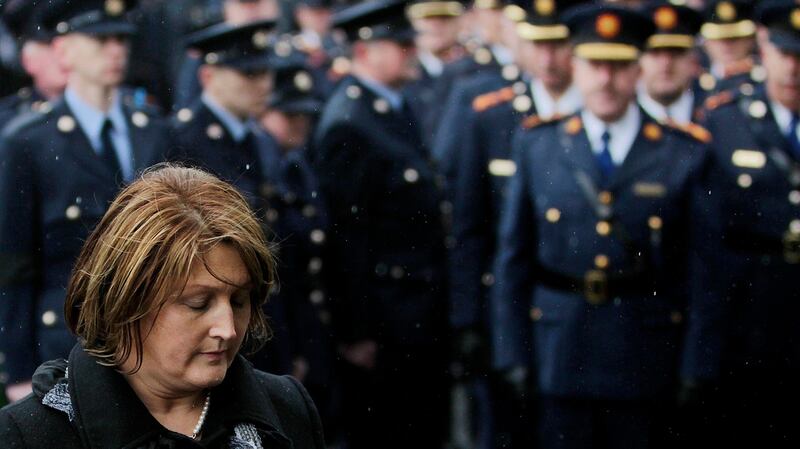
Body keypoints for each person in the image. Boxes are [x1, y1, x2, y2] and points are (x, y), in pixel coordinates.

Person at [490, 4, 721, 448]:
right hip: (560, 350)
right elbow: (512, 259)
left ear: (638, 71)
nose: (605, 80)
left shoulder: (684, 153)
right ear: (576, 68)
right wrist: (512, 351)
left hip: (645, 353)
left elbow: (704, 273)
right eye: (594, 65)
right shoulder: (538, 145)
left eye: (618, 66)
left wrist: (697, 364)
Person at [0, 164, 326, 448]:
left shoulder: (286, 410)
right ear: (126, 299)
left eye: (239, 301)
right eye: (198, 304)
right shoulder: (29, 434)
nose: (227, 329)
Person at [0, 0, 170, 403]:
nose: (115, 50)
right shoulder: (29, 142)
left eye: (121, 39)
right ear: (63, 50)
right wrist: (20, 367)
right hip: (66, 344)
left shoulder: (154, 130)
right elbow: (13, 265)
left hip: (153, 335)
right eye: (99, 39)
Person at [312, 1, 449, 448]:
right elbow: (344, 237)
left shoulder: (392, 107)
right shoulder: (350, 122)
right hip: (384, 317)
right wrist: (355, 331)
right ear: (366, 52)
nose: (413, 51)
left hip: (414, 309)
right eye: (402, 44)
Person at [701, 0, 800, 445]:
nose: (795, 68)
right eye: (787, 54)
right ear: (764, 48)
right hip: (750, 308)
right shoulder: (726, 119)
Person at [173, 0, 282, 110]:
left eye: (258, 2)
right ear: (225, 8)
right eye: (243, 3)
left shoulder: (284, 50)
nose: (252, 10)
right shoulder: (209, 51)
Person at [0, 0, 68, 127]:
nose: (64, 56)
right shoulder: (9, 123)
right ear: (27, 59)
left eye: (70, 46)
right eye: (51, 46)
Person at [638, 0, 705, 125]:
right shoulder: (622, 117)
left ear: (694, 60)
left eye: (676, 53)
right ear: (639, 61)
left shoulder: (716, 117)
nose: (666, 63)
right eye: (655, 53)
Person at [698, 0, 763, 94]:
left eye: (735, 38)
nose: (727, 45)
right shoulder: (694, 82)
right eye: (719, 38)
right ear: (706, 42)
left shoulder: (763, 82)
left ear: (750, 39)